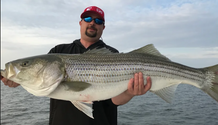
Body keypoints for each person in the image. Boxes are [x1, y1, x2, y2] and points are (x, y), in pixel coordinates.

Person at [1, 6, 152, 125]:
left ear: (103, 27)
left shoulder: (113, 55)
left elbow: (115, 101)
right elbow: (41, 77)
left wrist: (130, 92)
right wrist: (18, 80)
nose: (92, 22)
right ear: (80, 23)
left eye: (98, 21)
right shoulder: (58, 51)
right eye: (87, 18)